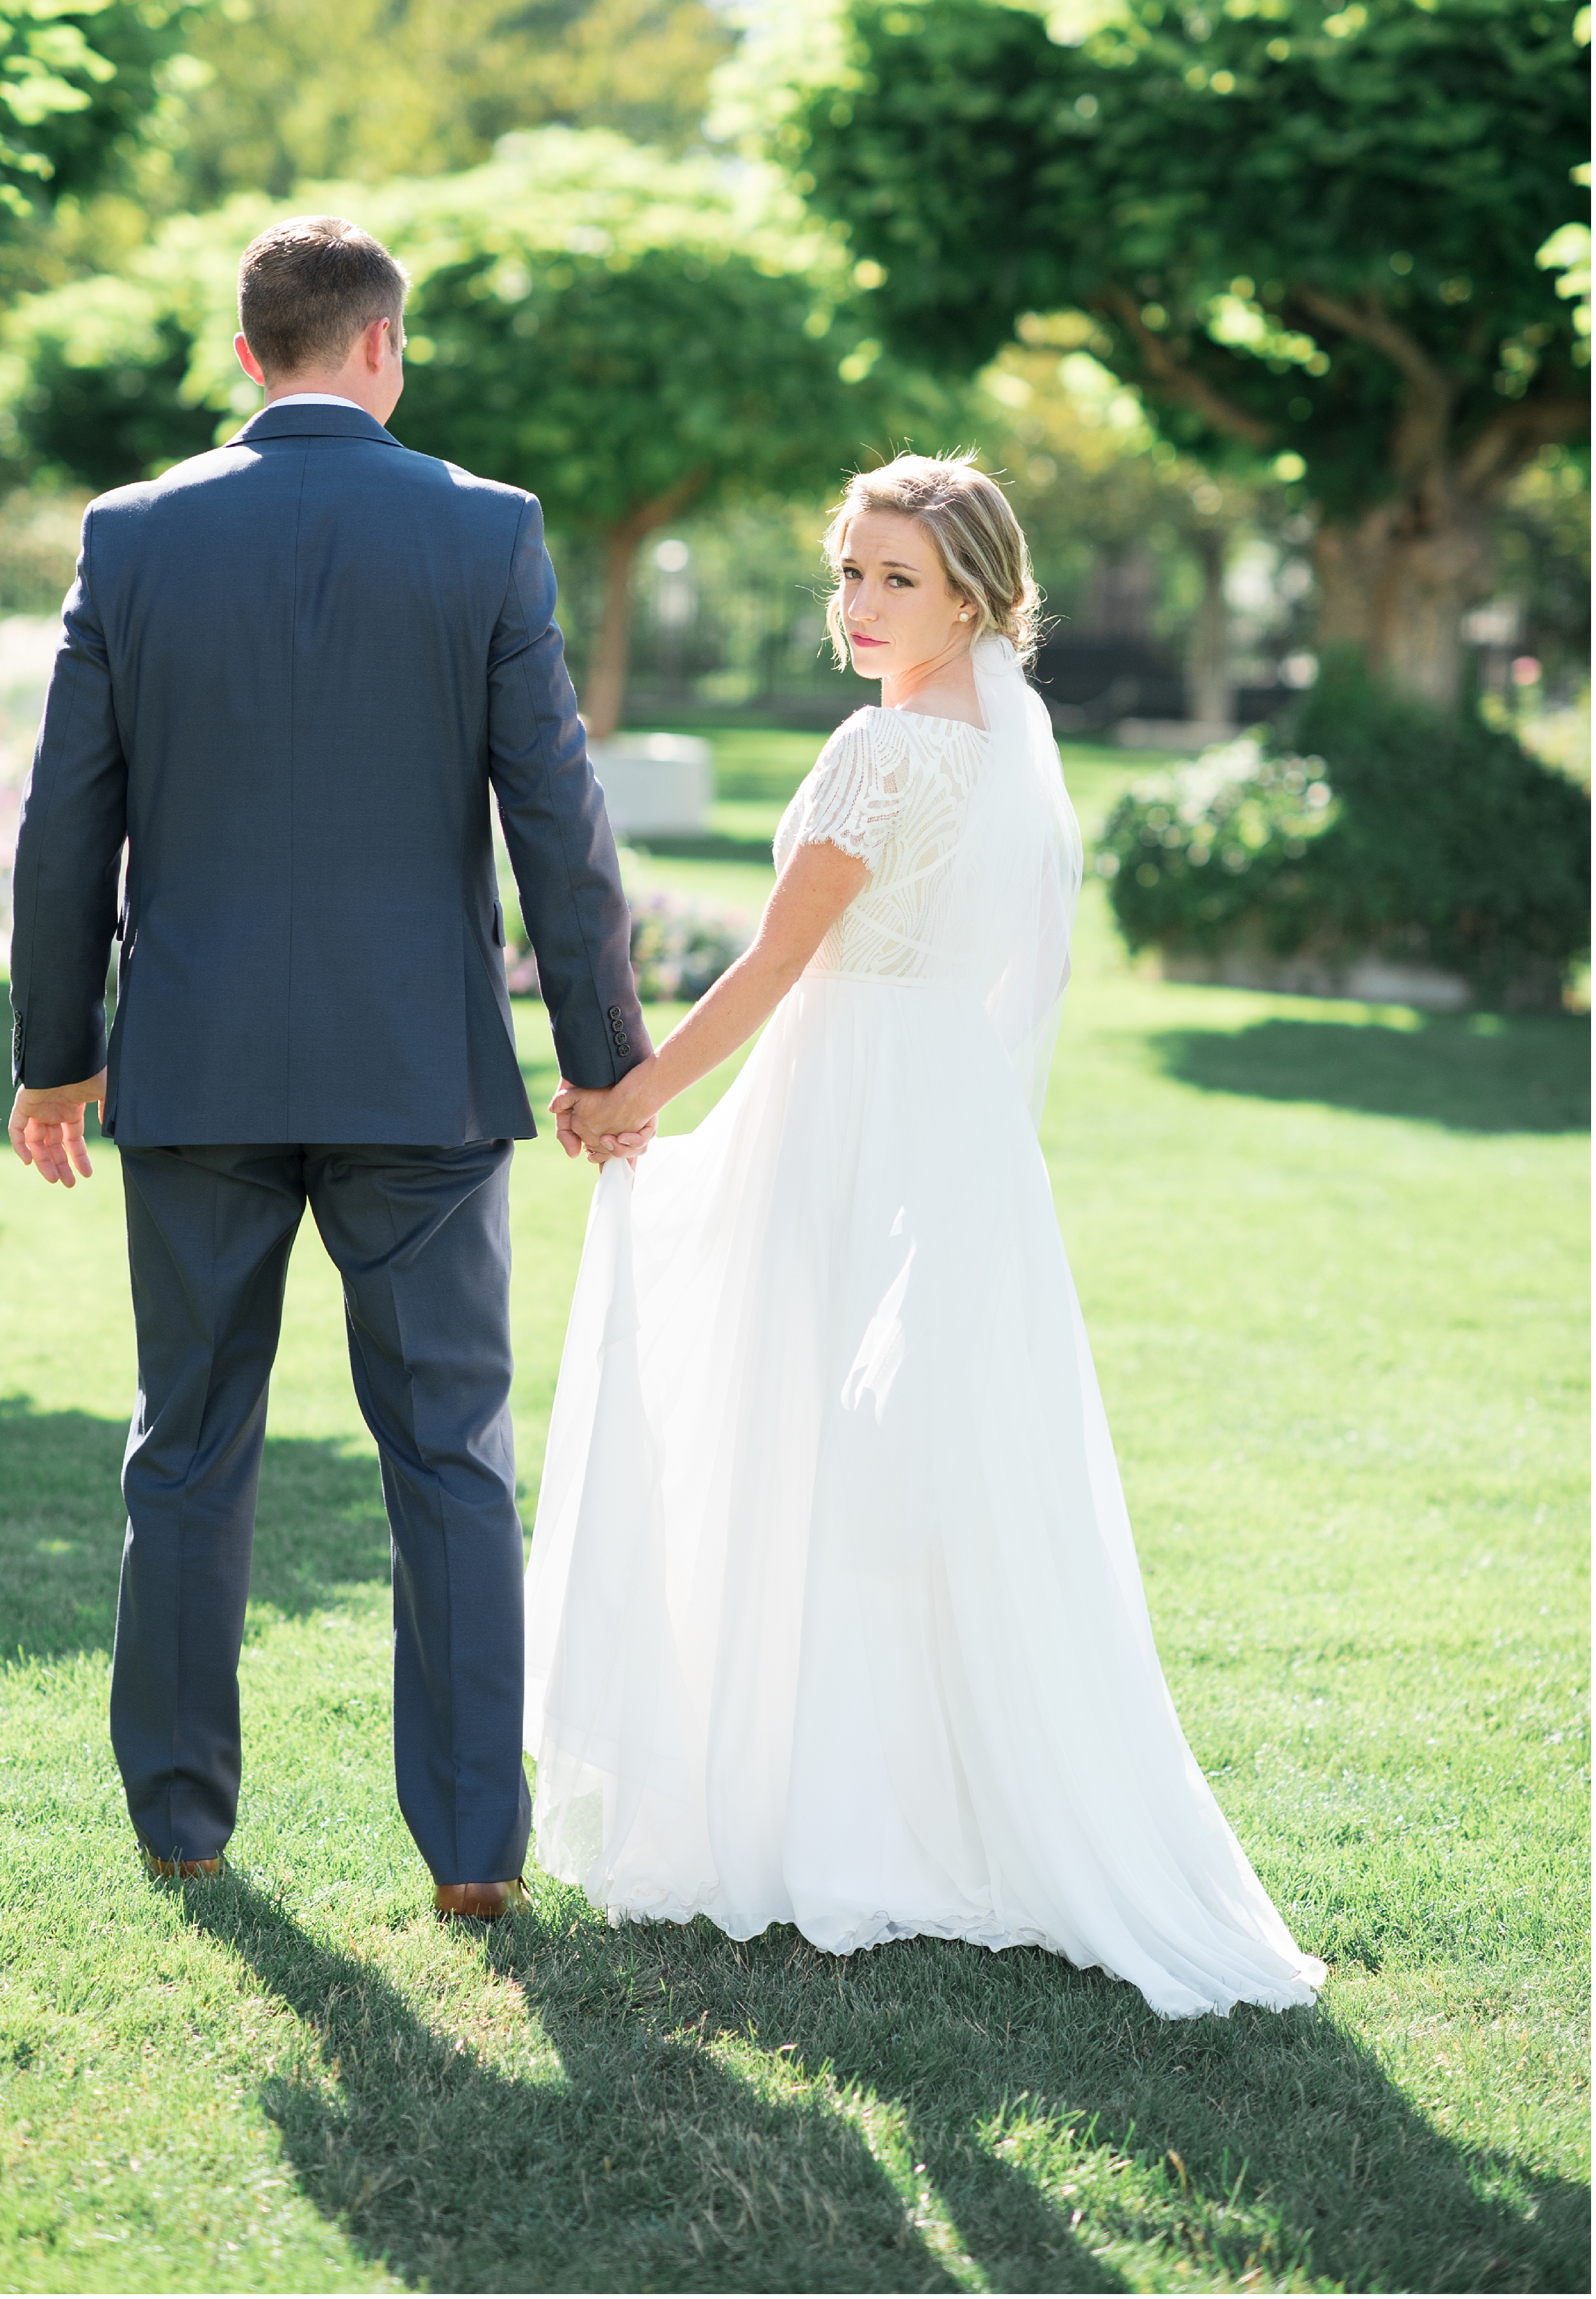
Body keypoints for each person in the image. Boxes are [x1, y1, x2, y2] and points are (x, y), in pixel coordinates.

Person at [536, 455, 1326, 2018]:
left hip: (852, 1108)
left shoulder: (889, 750)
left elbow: (771, 968)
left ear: (970, 588)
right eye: (846, 573)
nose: (858, 605)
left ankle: (830, 1811)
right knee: (901, 1464)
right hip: (946, 1122)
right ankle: (903, 1797)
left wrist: (633, 1094)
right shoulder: (1010, 741)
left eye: (893, 578)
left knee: (814, 1444)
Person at [7, 215, 652, 1919]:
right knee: (449, 1452)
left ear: (246, 357)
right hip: (419, 1081)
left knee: (189, 1443)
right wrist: (605, 1060)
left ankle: (181, 1824)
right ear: (381, 346)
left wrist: (57, 1056)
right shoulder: (485, 531)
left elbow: (66, 823)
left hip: (199, 1070)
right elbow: (559, 828)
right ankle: (468, 1857)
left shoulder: (131, 535)